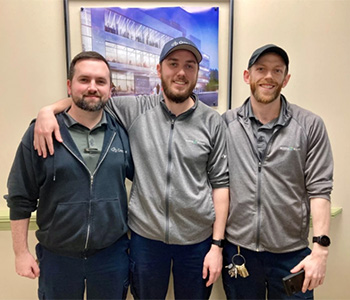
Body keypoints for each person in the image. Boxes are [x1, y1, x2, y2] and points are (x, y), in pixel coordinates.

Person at [32, 37, 230, 300]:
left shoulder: (212, 121)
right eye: (173, 64)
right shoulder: (133, 109)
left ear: (197, 74)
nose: (181, 72)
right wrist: (48, 111)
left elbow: (220, 185)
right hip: (145, 240)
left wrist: (216, 246)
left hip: (197, 242)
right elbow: (89, 99)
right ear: (159, 70)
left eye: (190, 65)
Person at [4, 51, 134, 300]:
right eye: (84, 80)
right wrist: (21, 253)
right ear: (69, 85)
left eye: (100, 81)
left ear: (110, 89)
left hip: (111, 256)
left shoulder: (122, 133)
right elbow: (20, 198)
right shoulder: (41, 133)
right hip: (57, 258)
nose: (92, 88)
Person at [222, 44, 333, 299]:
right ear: (247, 76)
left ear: (286, 78)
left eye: (277, 70)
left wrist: (320, 252)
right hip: (240, 253)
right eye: (261, 69)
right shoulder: (225, 124)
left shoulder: (309, 125)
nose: (269, 76)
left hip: (291, 255)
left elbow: (320, 190)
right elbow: (217, 185)